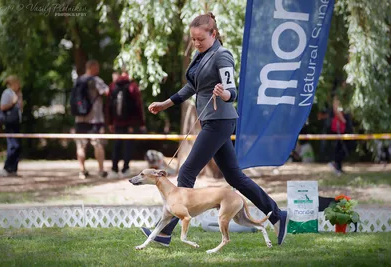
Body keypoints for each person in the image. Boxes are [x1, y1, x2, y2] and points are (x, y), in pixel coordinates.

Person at [141, 12, 288, 246]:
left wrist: (225, 94)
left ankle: (165, 232)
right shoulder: (200, 56)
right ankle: (277, 215)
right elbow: (192, 86)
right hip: (211, 122)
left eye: (200, 39)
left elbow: (233, 91)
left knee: (187, 170)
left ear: (214, 34)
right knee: (235, 177)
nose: (196, 43)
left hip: (220, 121)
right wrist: (166, 104)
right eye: (193, 39)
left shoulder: (222, 56)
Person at [106, 66, 147, 179]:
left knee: (117, 144)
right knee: (128, 145)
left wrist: (110, 122)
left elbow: (108, 105)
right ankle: (125, 168)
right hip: (131, 122)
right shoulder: (133, 86)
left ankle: (114, 169)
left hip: (117, 121)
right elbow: (138, 106)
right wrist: (141, 123)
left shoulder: (113, 86)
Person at [74, 60, 109, 179]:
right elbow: (107, 92)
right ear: (92, 67)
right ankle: (101, 170)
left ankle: (82, 170)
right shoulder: (96, 80)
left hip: (80, 119)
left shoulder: (78, 80)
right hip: (95, 119)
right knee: (98, 145)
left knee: (80, 146)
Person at [0, 75, 23, 177]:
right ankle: (6, 167)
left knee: (17, 146)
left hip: (16, 122)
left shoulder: (17, 94)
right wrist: (13, 102)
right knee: (13, 145)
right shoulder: (7, 93)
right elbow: (2, 107)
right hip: (9, 123)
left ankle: (13, 168)